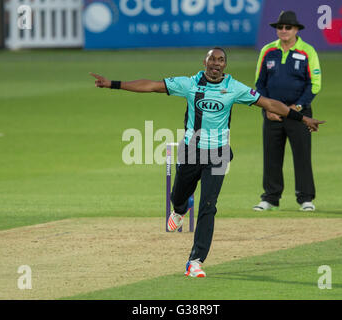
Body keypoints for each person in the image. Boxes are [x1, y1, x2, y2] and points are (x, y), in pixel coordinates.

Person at [90, 48, 324, 278]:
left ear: (225, 65)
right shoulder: (190, 84)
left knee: (208, 206)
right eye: (212, 59)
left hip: (218, 154)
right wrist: (113, 83)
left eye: (221, 60)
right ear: (204, 62)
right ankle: (180, 210)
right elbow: (151, 86)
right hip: (191, 151)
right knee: (178, 196)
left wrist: (302, 118)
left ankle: (195, 261)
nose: (216, 64)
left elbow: (270, 104)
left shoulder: (234, 88)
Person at [253, 11, 322, 212]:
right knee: (271, 155)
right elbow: (260, 82)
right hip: (272, 113)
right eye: (280, 27)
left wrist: (298, 108)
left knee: (302, 155)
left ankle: (305, 198)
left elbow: (314, 84)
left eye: (287, 27)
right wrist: (267, 107)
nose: (283, 31)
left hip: (299, 113)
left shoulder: (307, 51)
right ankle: (271, 198)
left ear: (296, 30)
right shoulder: (268, 51)